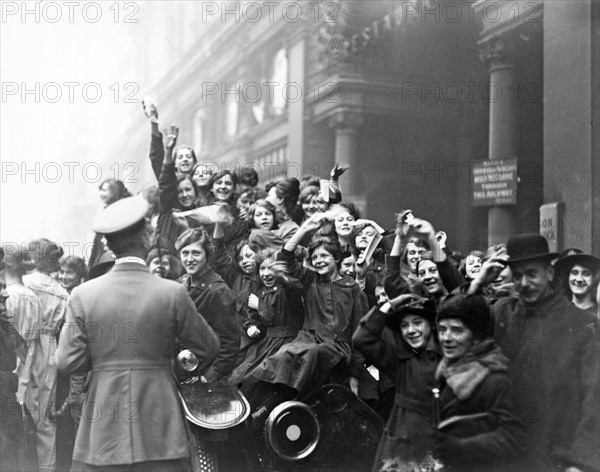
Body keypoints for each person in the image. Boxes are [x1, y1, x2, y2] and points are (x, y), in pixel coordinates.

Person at [56, 196, 220, 472]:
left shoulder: (82, 295)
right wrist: (174, 364)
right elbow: (210, 347)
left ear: (108, 244)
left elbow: (66, 362)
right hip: (160, 419)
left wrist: (102, 361)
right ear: (147, 238)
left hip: (103, 423)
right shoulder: (173, 292)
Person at [468, 234, 599, 472]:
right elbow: (457, 333)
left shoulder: (582, 325)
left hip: (556, 457)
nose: (524, 282)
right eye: (517, 276)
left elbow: (594, 397)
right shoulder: (503, 314)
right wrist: (476, 286)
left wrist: (580, 462)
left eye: (531, 274)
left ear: (549, 273)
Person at [251, 214, 368, 416]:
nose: (318, 261)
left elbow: (361, 334)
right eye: (315, 257)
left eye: (324, 256)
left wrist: (354, 373)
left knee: (313, 353)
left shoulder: (353, 289)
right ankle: (261, 408)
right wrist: (304, 229)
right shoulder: (310, 279)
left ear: (337, 258)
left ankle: (275, 408)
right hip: (306, 339)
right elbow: (284, 258)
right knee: (285, 353)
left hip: (336, 347)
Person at [434, 293, 527, 471]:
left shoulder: (494, 380)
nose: (446, 337)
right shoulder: (447, 370)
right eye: (442, 329)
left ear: (476, 337)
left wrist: (461, 446)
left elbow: (515, 438)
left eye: (456, 330)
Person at [23, 238, 68, 472]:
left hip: (26, 342)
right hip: (50, 346)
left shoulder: (24, 283)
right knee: (46, 409)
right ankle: (46, 466)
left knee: (22, 402)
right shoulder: (62, 292)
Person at [176, 227, 239, 382]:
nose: (189, 259)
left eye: (196, 253)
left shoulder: (218, 291)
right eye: (185, 253)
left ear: (207, 254)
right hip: (181, 367)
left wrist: (210, 376)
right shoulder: (181, 283)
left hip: (203, 372)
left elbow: (230, 343)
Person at [554, 249, 600, 315]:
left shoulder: (598, 312)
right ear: (568, 277)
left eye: (586, 274)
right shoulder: (559, 312)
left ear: (593, 278)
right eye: (574, 273)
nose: (579, 279)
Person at [265, 177, 301, 243]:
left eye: (269, 196)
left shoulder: (292, 229)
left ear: (280, 199)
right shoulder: (269, 222)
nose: (266, 199)